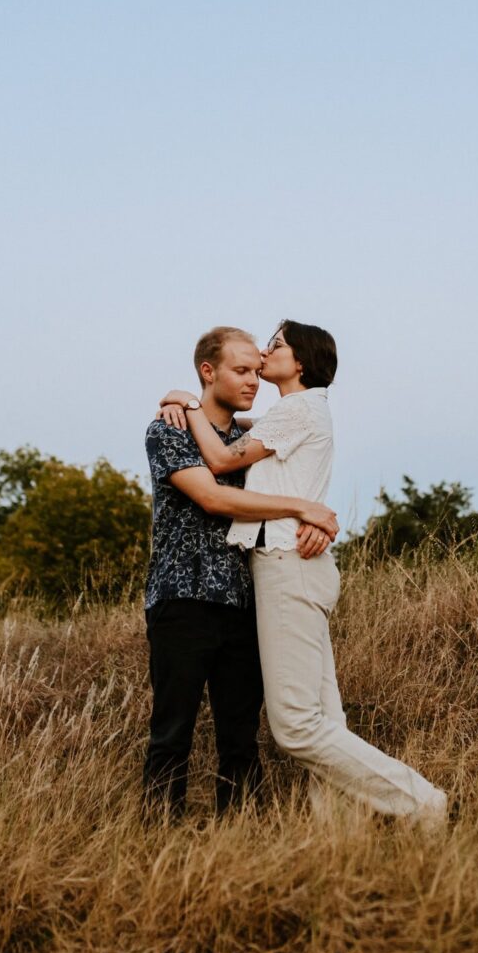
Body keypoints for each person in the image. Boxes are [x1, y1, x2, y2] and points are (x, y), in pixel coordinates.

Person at [159, 320, 448, 828]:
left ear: (301, 362)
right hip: (298, 566)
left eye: (275, 347)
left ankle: (420, 802)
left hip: (287, 566)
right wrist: (181, 396)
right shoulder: (296, 413)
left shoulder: (297, 409)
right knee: (324, 718)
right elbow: (242, 436)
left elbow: (224, 459)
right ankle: (337, 839)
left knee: (295, 726)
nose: (265, 355)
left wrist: (185, 406)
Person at [143, 325, 338, 821]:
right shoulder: (168, 429)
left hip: (244, 598)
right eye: (241, 370)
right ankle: (157, 841)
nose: (252, 379)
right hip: (182, 597)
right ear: (209, 372)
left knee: (240, 736)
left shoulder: (249, 436)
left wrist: (312, 515)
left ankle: (241, 840)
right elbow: (212, 496)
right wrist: (303, 508)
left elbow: (295, 463)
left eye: (257, 369)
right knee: (173, 731)